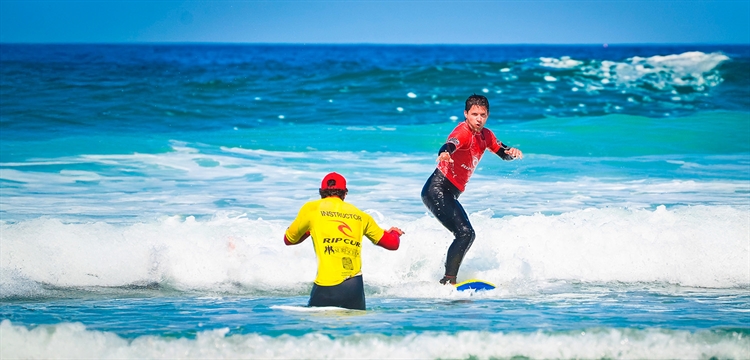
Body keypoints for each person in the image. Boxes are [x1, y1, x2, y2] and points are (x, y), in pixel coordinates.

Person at [421, 94, 523, 285]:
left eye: (482, 115)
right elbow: (451, 144)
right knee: (465, 233)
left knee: (465, 234)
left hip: (450, 193)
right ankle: (448, 282)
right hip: (437, 189)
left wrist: (512, 153)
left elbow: (503, 152)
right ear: (466, 114)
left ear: (487, 115)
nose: (478, 119)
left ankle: (448, 279)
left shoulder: (486, 135)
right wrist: (444, 153)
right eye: (474, 114)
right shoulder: (463, 132)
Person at [284, 172, 404, 310]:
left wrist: (310, 229)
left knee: (317, 329)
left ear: (321, 192)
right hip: (354, 287)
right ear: (345, 193)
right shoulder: (361, 215)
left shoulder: (311, 209)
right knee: (354, 330)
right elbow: (392, 244)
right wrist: (394, 233)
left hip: (326, 288)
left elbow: (289, 239)